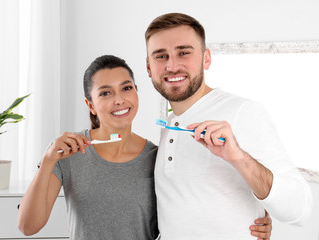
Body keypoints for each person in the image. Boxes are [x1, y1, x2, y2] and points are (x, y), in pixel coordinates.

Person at [17, 55, 272, 239]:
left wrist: (250, 221)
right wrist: (48, 160)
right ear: (91, 104)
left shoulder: (158, 157)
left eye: (126, 88)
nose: (119, 99)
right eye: (105, 93)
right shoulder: (67, 153)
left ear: (137, 92)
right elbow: (28, 226)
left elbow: (198, 207)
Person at [145, 12, 313, 240]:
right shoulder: (171, 124)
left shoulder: (243, 112)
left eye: (184, 52)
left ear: (206, 58)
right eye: (161, 56)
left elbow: (300, 210)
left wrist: (238, 158)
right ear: (148, 67)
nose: (172, 66)